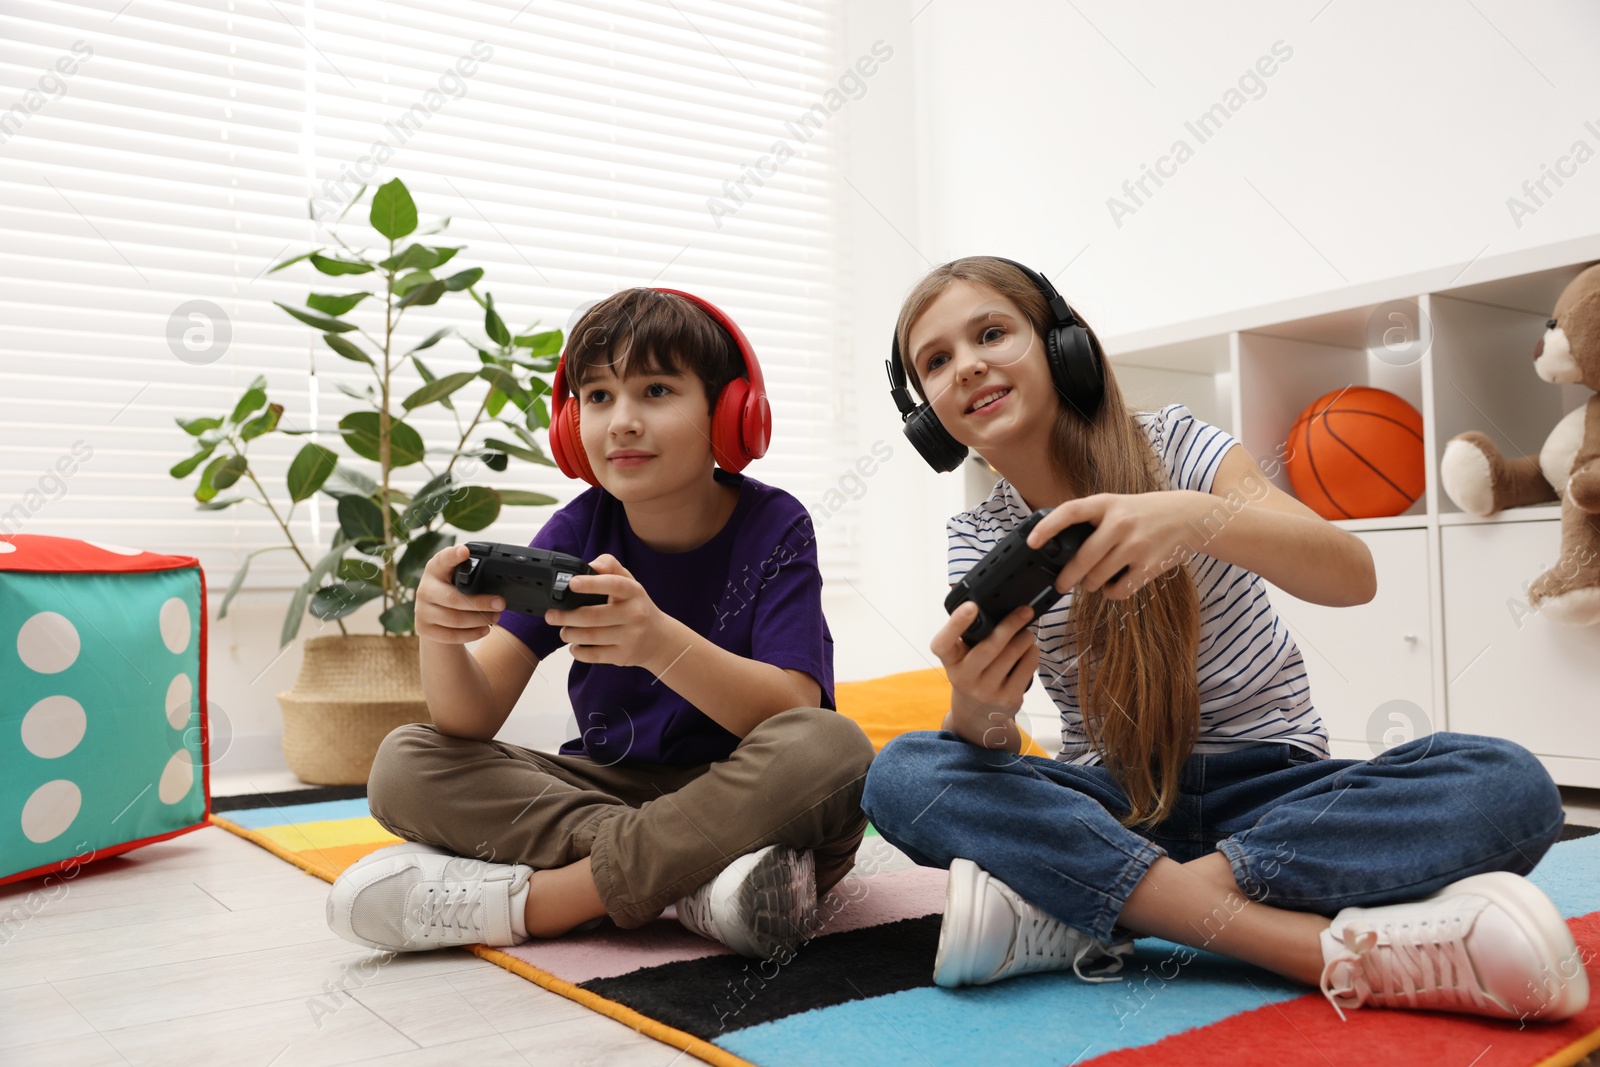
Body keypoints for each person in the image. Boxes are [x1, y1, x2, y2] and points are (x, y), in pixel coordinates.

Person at [861, 256, 1589, 1023]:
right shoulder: (978, 539)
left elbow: (1352, 573)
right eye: (936, 361)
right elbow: (990, 753)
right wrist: (977, 711)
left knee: (1506, 783)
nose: (967, 365)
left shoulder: (1180, 445)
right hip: (1116, 799)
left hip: (1271, 791)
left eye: (992, 333)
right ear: (927, 417)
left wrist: (1192, 518)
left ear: (1059, 345)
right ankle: (1304, 948)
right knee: (903, 773)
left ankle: (1111, 902)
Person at [325, 287, 874, 961]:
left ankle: (545, 902)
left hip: (747, 781)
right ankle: (701, 878)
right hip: (620, 788)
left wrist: (658, 642)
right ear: (570, 421)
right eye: (599, 397)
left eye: (656, 390)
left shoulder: (777, 525)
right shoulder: (580, 528)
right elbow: (470, 720)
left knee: (833, 752)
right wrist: (438, 637)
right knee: (403, 763)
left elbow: (794, 711)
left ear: (730, 414)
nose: (622, 421)